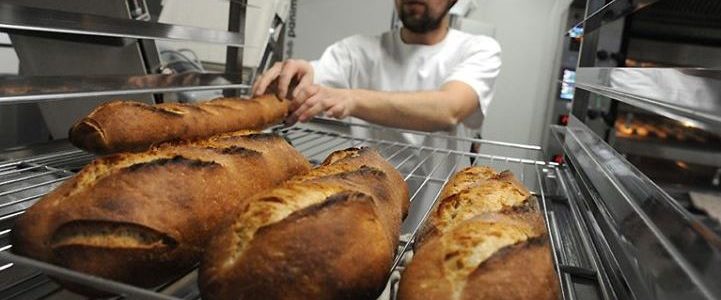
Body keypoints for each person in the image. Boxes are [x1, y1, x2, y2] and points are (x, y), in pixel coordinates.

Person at [253, 0, 501, 231]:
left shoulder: (477, 49)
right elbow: (311, 80)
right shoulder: (357, 51)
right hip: (367, 213)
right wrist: (299, 76)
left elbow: (449, 108)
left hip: (440, 217)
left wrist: (350, 98)